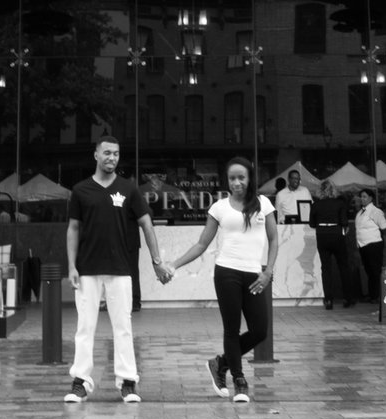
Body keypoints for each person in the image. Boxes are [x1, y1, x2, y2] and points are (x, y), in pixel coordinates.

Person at [63, 137, 170, 404]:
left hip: (121, 268)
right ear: (96, 155)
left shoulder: (129, 189)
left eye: (116, 154)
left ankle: (128, 382)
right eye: (107, 153)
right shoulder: (81, 190)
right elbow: (73, 229)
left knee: (123, 327)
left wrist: (157, 261)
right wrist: (71, 266)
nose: (112, 158)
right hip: (87, 269)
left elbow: (147, 224)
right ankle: (80, 382)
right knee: (85, 327)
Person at [169, 159, 276, 401]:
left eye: (241, 177)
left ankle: (220, 363)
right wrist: (173, 265)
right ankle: (239, 379)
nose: (237, 182)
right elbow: (201, 244)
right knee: (232, 328)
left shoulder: (264, 204)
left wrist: (268, 271)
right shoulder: (219, 207)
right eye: (232, 178)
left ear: (249, 178)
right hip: (226, 272)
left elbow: (274, 240)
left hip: (253, 274)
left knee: (260, 330)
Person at [353, 188, 386, 304]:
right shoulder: (360, 212)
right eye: (361, 197)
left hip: (373, 244)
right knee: (369, 271)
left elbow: (384, 227)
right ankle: (371, 294)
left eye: (364, 197)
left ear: (370, 198)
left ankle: (376, 295)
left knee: (375, 270)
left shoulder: (375, 211)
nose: (362, 199)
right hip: (363, 245)